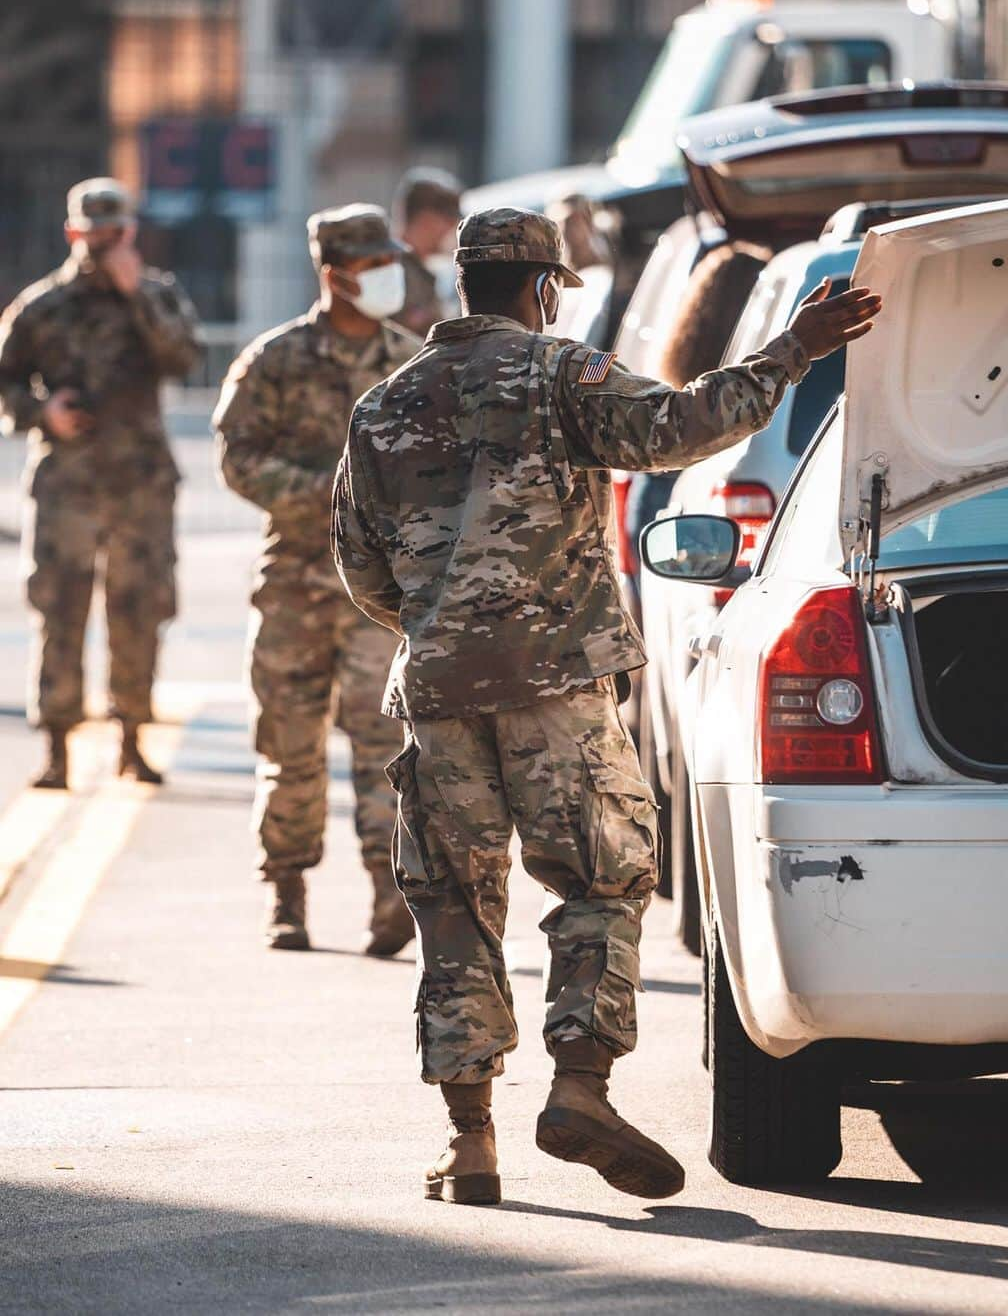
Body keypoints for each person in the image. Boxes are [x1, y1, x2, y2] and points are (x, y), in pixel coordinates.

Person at [331, 207, 881, 1206]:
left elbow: (361, 566)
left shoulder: (382, 406)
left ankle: (469, 1146)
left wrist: (443, 628)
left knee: (455, 908)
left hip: (438, 692)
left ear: (465, 287)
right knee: (601, 881)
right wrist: (794, 349)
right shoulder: (560, 373)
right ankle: (580, 1087)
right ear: (542, 287)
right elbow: (683, 429)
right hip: (554, 687)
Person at [213, 204, 420, 955]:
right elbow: (237, 458)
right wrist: (327, 492)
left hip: (380, 595)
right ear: (334, 275)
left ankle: (388, 893)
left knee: (384, 745)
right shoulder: (277, 358)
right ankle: (288, 892)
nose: (388, 276)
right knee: (290, 745)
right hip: (295, 583)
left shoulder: (409, 360)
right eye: (372, 266)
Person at [0, 177, 201, 790]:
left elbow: (185, 360)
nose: (104, 245)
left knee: (139, 609)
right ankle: (58, 747)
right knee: (59, 609)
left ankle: (133, 737)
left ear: (131, 233)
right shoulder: (42, 306)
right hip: (67, 482)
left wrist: (134, 293)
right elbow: (5, 381)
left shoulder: (156, 295)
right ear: (73, 234)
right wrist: (42, 414)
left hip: (140, 482)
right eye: (94, 236)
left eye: (115, 235)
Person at [390, 167, 462, 336]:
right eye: (450, 222)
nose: (453, 232)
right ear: (427, 219)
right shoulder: (393, 270)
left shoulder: (418, 271)